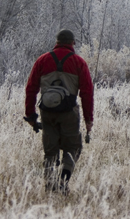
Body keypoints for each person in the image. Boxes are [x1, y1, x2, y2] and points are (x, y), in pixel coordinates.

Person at [24, 29, 94, 194]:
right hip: (69, 113)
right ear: (73, 43)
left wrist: (31, 116)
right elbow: (87, 93)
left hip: (47, 112)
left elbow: (31, 89)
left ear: (56, 41)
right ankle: (63, 183)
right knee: (73, 148)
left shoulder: (42, 60)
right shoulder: (79, 62)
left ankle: (49, 186)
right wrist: (88, 119)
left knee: (50, 151)